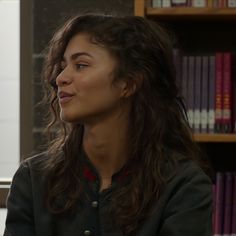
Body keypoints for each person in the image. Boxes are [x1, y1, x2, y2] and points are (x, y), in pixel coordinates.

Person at [4, 13, 212, 236]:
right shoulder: (33, 179)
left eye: (81, 65)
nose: (61, 78)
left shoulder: (183, 185)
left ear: (128, 83)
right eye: (63, 66)